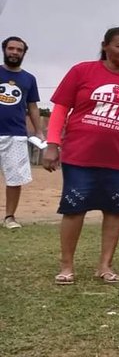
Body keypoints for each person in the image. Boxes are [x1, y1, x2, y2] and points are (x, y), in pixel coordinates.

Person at [43, 27, 119, 285]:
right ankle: (67, 266)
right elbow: (61, 108)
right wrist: (52, 144)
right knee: (74, 209)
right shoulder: (82, 71)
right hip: (80, 154)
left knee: (115, 211)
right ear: (105, 45)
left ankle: (105, 266)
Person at [0, 36, 44, 230]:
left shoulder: (29, 79)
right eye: (11, 49)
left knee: (15, 178)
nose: (15, 52)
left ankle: (10, 217)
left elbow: (33, 107)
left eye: (19, 50)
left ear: (24, 53)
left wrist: (39, 132)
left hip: (16, 134)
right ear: (4, 50)